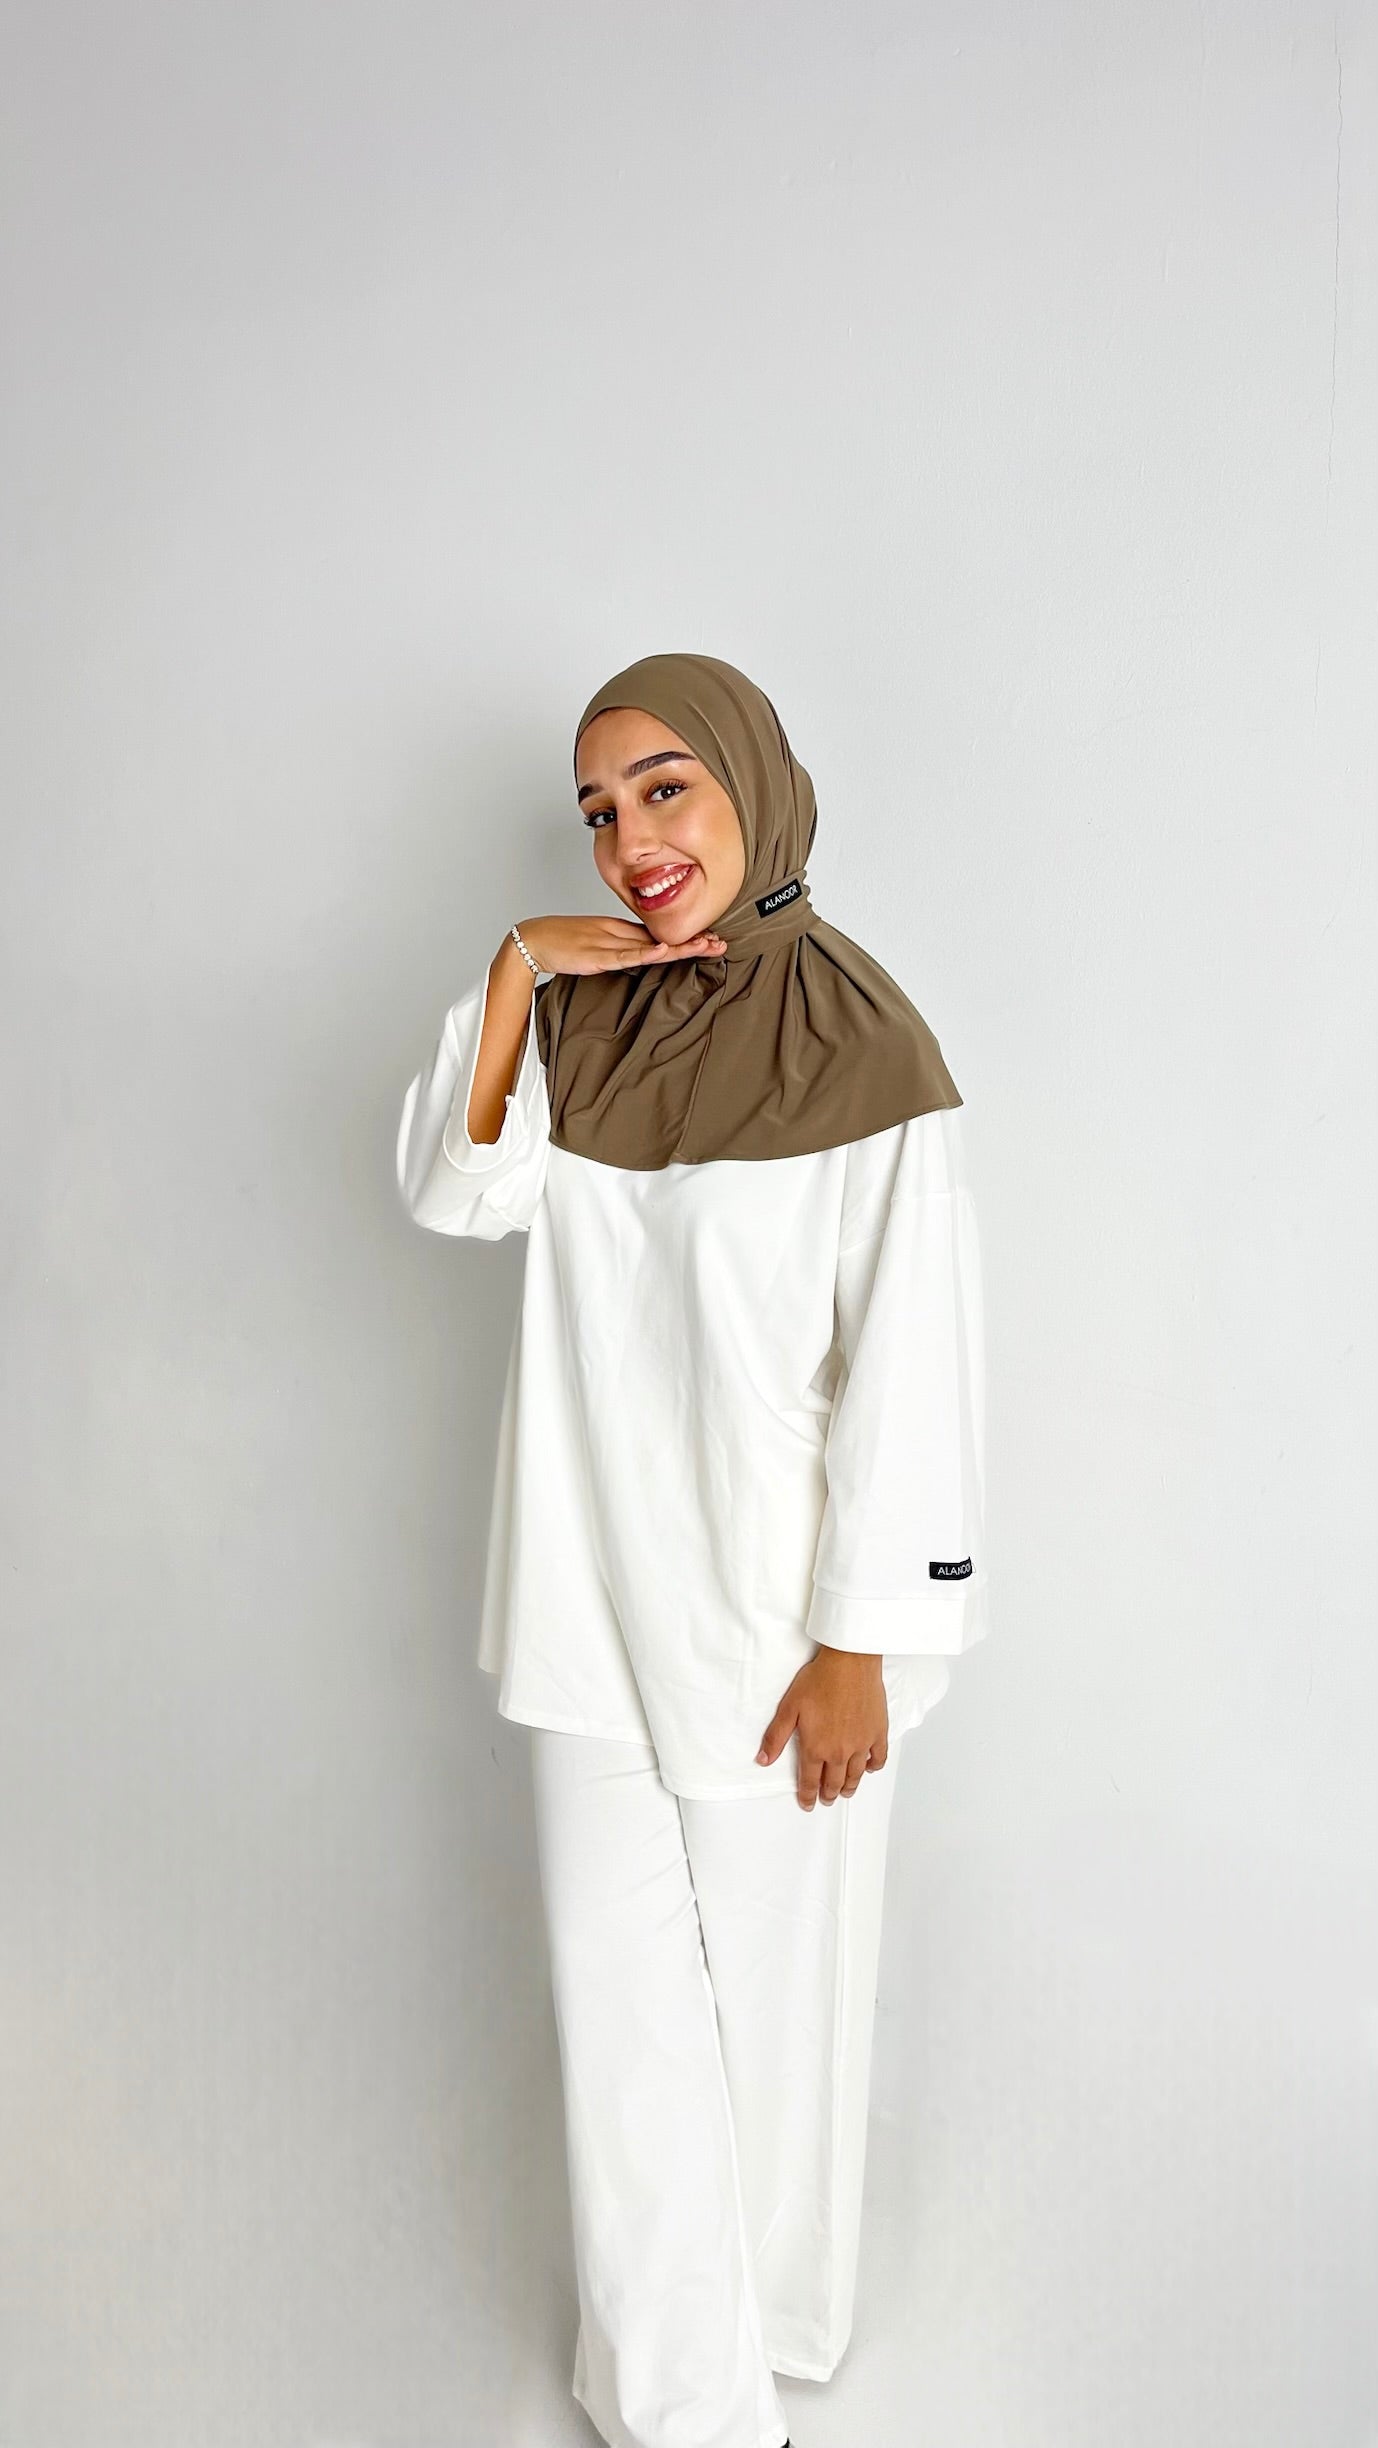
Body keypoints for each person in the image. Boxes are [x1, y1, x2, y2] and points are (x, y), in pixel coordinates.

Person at [396, 651, 989, 2448]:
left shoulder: (870, 1044)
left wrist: (861, 1638)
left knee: (776, 2020)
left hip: (774, 1620)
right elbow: (453, 1193)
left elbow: (912, 1365)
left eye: (663, 786)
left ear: (752, 783)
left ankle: (772, 2331)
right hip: (583, 1595)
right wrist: (515, 973)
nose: (628, 839)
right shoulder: (582, 1026)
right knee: (623, 2012)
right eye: (597, 809)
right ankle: (681, 2405)